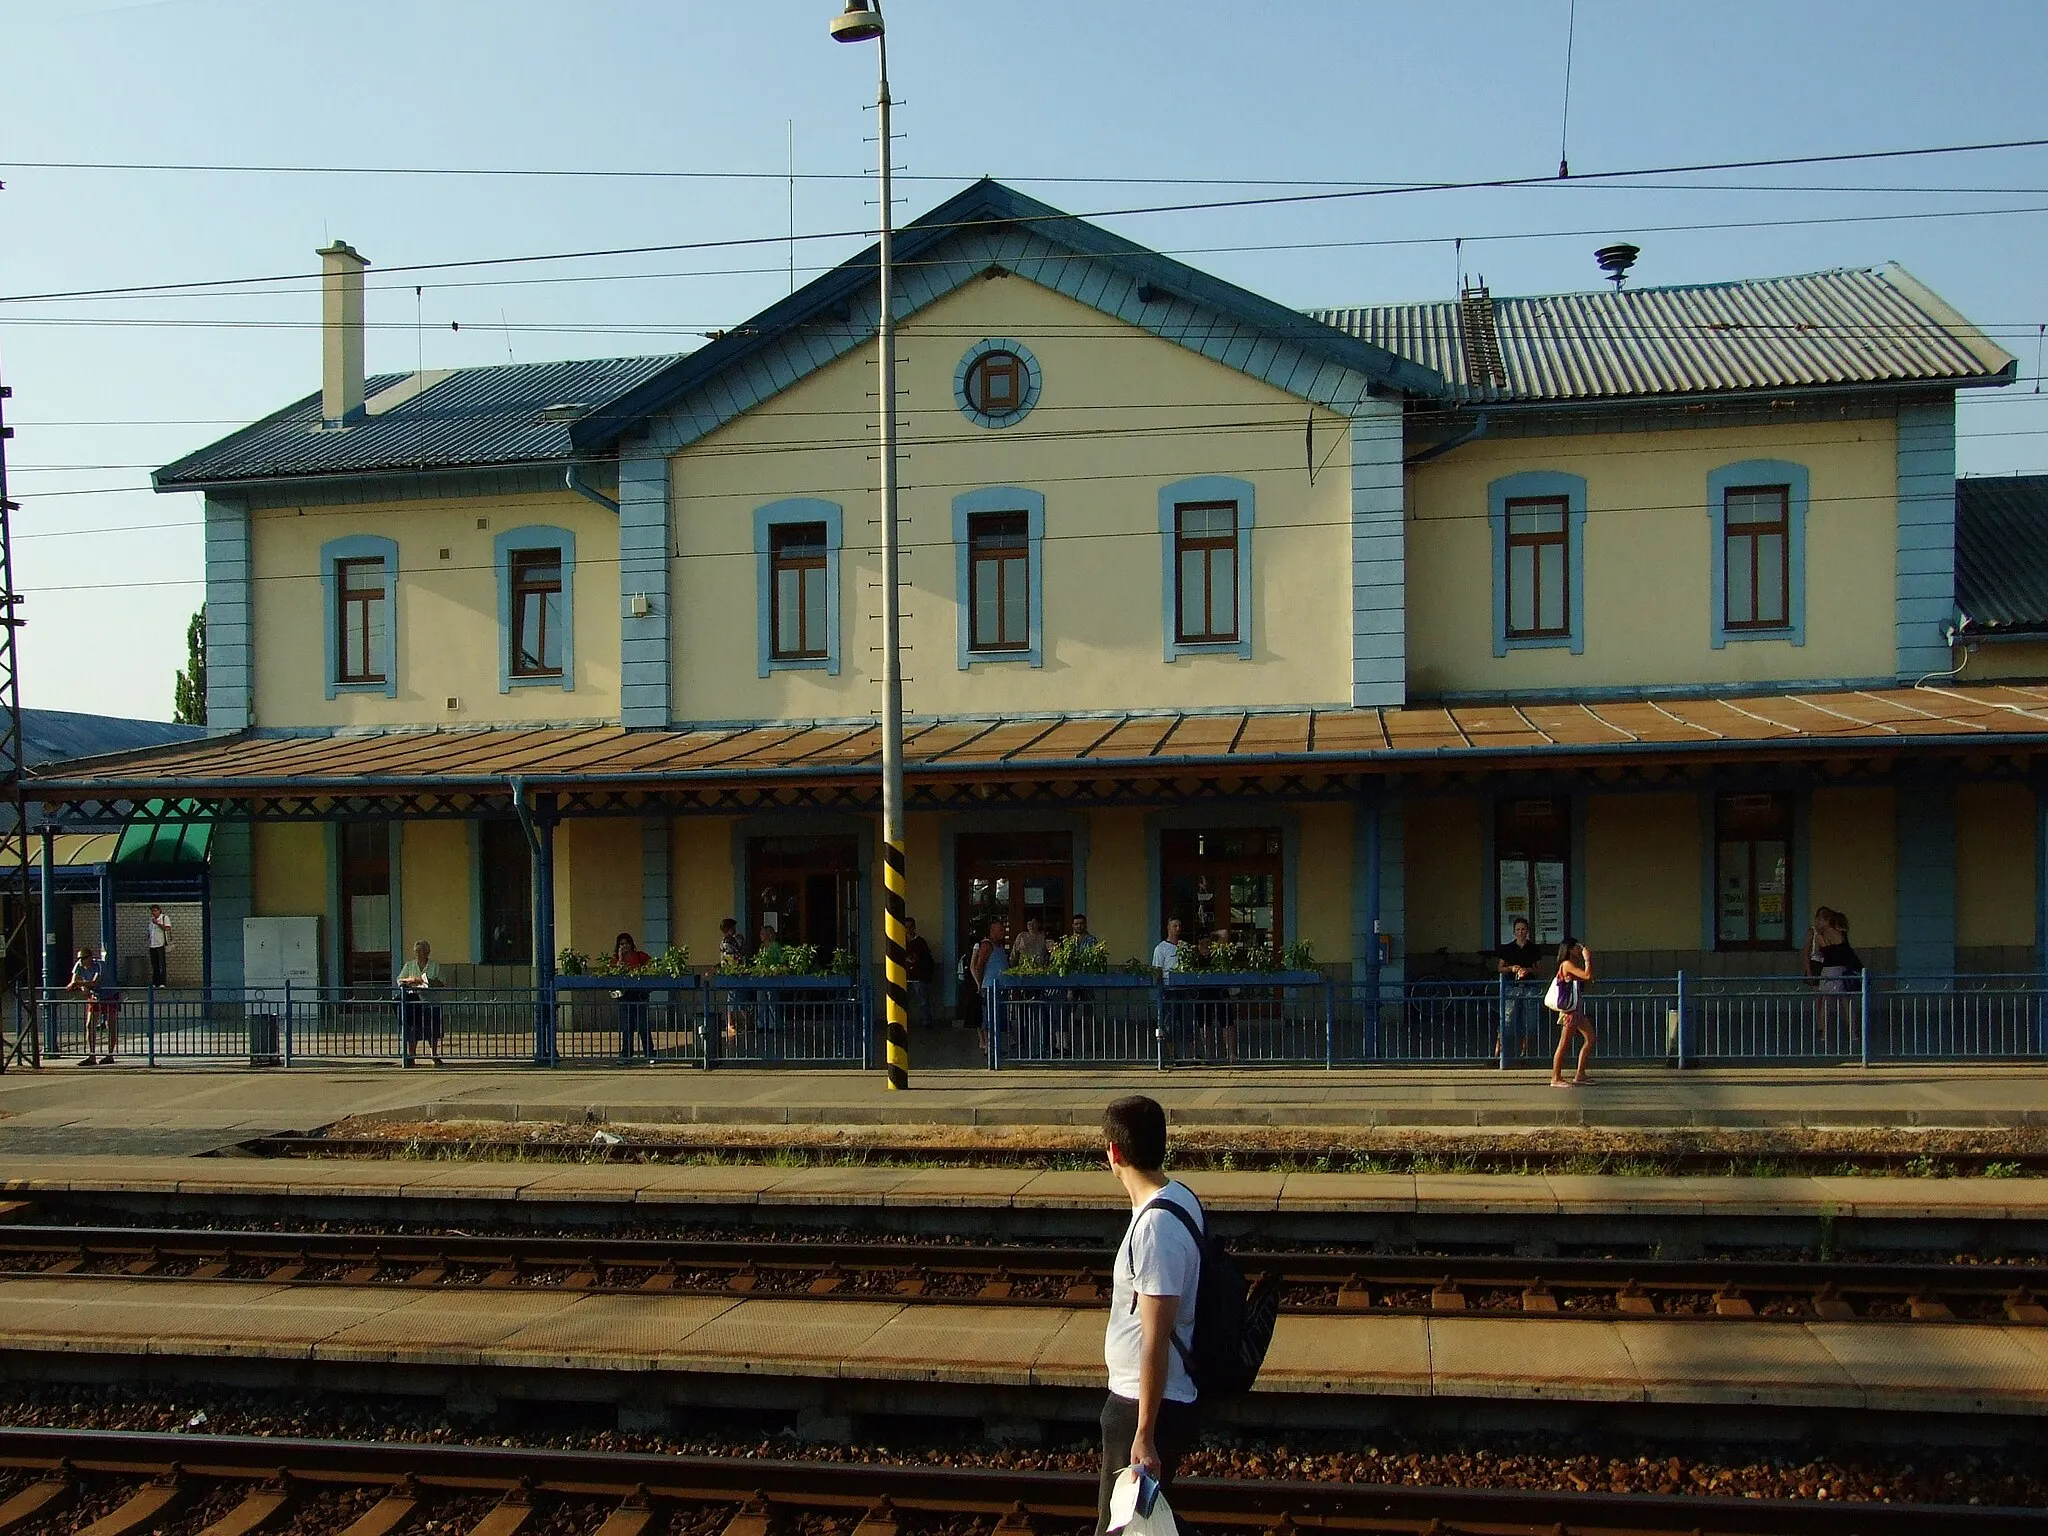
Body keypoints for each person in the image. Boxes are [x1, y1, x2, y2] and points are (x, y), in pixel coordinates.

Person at [1097, 1094, 1202, 1536]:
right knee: (1146, 1524)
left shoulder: (1156, 1230)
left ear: (1114, 1153)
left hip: (1141, 1405)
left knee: (1119, 1528)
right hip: (1146, 1400)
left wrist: (1144, 1431)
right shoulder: (1178, 1197)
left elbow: (1155, 1339)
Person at [1492, 916, 1545, 1060]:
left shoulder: (1533, 948)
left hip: (1529, 987)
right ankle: (1498, 1054)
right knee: (1507, 1021)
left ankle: (1525, 1054)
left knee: (1530, 1022)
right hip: (1512, 987)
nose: (1521, 932)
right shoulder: (1507, 948)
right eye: (1518, 930)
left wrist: (1528, 970)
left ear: (1527, 931)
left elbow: (1540, 969)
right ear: (1514, 932)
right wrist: (1512, 968)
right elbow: (1500, 968)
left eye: (1523, 929)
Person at [1547, 939, 1595, 1088]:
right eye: (1577, 947)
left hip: (1577, 1010)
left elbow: (1587, 977)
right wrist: (1587, 958)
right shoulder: (1567, 964)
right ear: (1570, 949)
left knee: (1591, 1038)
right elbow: (1587, 975)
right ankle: (1556, 1077)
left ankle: (1580, 1074)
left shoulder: (1573, 964)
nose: (1579, 950)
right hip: (1570, 1011)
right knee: (1564, 1043)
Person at [67, 946, 119, 1065]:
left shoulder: (99, 965)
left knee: (110, 1024)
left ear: (90, 958)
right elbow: (73, 981)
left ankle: (110, 1055)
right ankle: (92, 1055)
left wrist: (77, 984)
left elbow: (95, 981)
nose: (81, 961)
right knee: (90, 1024)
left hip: (109, 993)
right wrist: (82, 987)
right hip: (94, 995)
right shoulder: (79, 966)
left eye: (84, 958)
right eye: (80, 958)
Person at [396, 939, 443, 1068]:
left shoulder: (434, 965)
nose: (418, 954)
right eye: (416, 952)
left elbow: (441, 982)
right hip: (414, 1002)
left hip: (431, 1002)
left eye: (421, 951)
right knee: (412, 1030)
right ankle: (411, 1056)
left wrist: (428, 982)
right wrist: (412, 980)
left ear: (427, 952)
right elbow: (400, 980)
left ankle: (434, 1055)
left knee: (432, 1031)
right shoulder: (409, 965)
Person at [612, 931, 655, 1063]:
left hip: (639, 994)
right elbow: (614, 972)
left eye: (626, 943)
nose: (624, 946)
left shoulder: (640, 956)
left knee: (643, 1025)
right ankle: (626, 1054)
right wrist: (620, 958)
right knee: (627, 1027)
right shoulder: (617, 959)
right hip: (625, 995)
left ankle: (650, 1053)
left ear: (631, 944)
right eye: (621, 944)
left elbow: (652, 966)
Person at [971, 918, 1010, 1054]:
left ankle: (996, 1046)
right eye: (1000, 930)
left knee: (999, 1018)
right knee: (990, 1017)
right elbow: (978, 966)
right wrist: (980, 985)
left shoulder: (1000, 946)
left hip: (1001, 987)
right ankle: (989, 1046)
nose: (1003, 932)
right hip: (990, 987)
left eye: (1003, 930)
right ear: (992, 930)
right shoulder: (987, 945)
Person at [902, 916, 936, 1028]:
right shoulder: (899, 941)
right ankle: (903, 1021)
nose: (908, 930)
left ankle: (927, 1022)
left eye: (910, 927)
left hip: (918, 976)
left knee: (923, 1001)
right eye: (906, 927)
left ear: (914, 928)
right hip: (904, 975)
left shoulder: (920, 942)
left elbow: (924, 957)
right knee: (903, 1001)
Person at [146, 904, 172, 988]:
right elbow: (150, 932)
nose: (153, 913)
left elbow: (167, 928)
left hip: (160, 944)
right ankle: (155, 982)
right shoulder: (151, 920)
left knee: (161, 964)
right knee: (155, 965)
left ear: (159, 910)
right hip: (152, 945)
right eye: (152, 911)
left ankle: (162, 982)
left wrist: (158, 923)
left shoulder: (164, 918)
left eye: (155, 911)